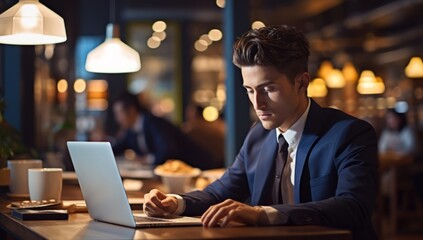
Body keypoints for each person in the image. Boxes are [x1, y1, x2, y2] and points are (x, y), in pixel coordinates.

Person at [143, 25, 378, 240]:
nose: (258, 103)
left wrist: (261, 214)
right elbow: (221, 190)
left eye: (268, 89)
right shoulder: (258, 135)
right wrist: (175, 203)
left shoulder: (350, 134)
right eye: (250, 91)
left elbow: (353, 206)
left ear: (301, 83)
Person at [111, 91, 218, 170]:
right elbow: (118, 148)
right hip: (173, 176)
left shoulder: (154, 123)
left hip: (199, 169)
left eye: (118, 114)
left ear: (131, 110)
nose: (117, 119)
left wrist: (146, 160)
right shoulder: (131, 131)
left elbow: (168, 151)